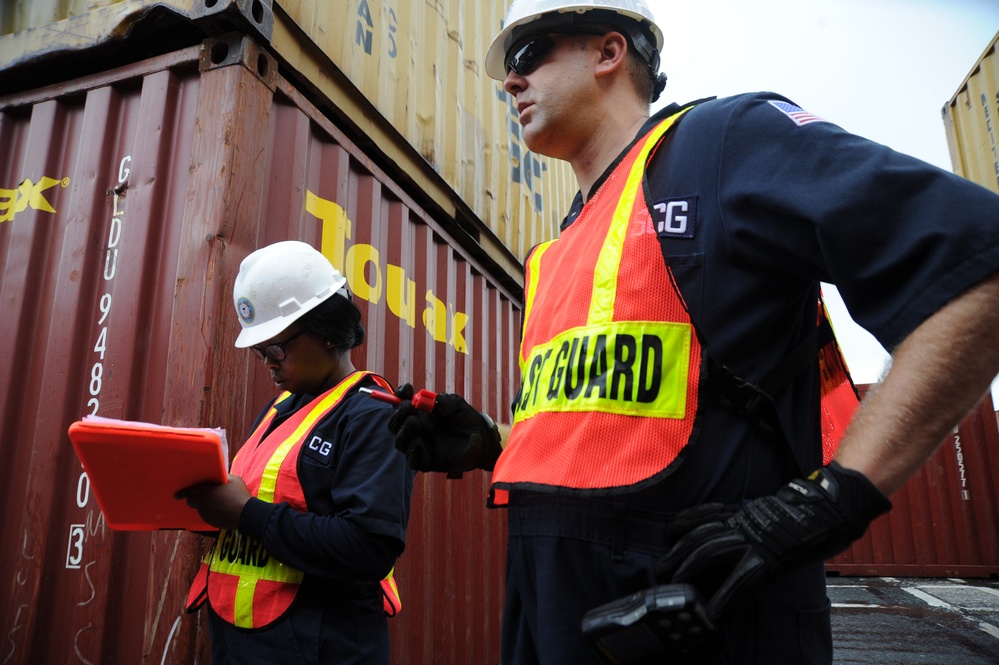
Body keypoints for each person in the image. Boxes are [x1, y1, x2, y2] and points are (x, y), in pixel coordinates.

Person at [386, 0, 999, 663]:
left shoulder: (722, 142)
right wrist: (492, 444)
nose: (510, 80)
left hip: (697, 615)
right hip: (551, 610)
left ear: (607, 52)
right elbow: (616, 429)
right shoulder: (560, 244)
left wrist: (831, 500)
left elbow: (976, 270)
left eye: (528, 55)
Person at [176, 240, 414, 665]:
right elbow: (261, 508)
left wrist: (246, 514)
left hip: (320, 649)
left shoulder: (371, 414)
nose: (267, 363)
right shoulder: (279, 409)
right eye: (259, 352)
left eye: (276, 349)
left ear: (327, 331)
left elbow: (368, 548)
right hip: (243, 647)